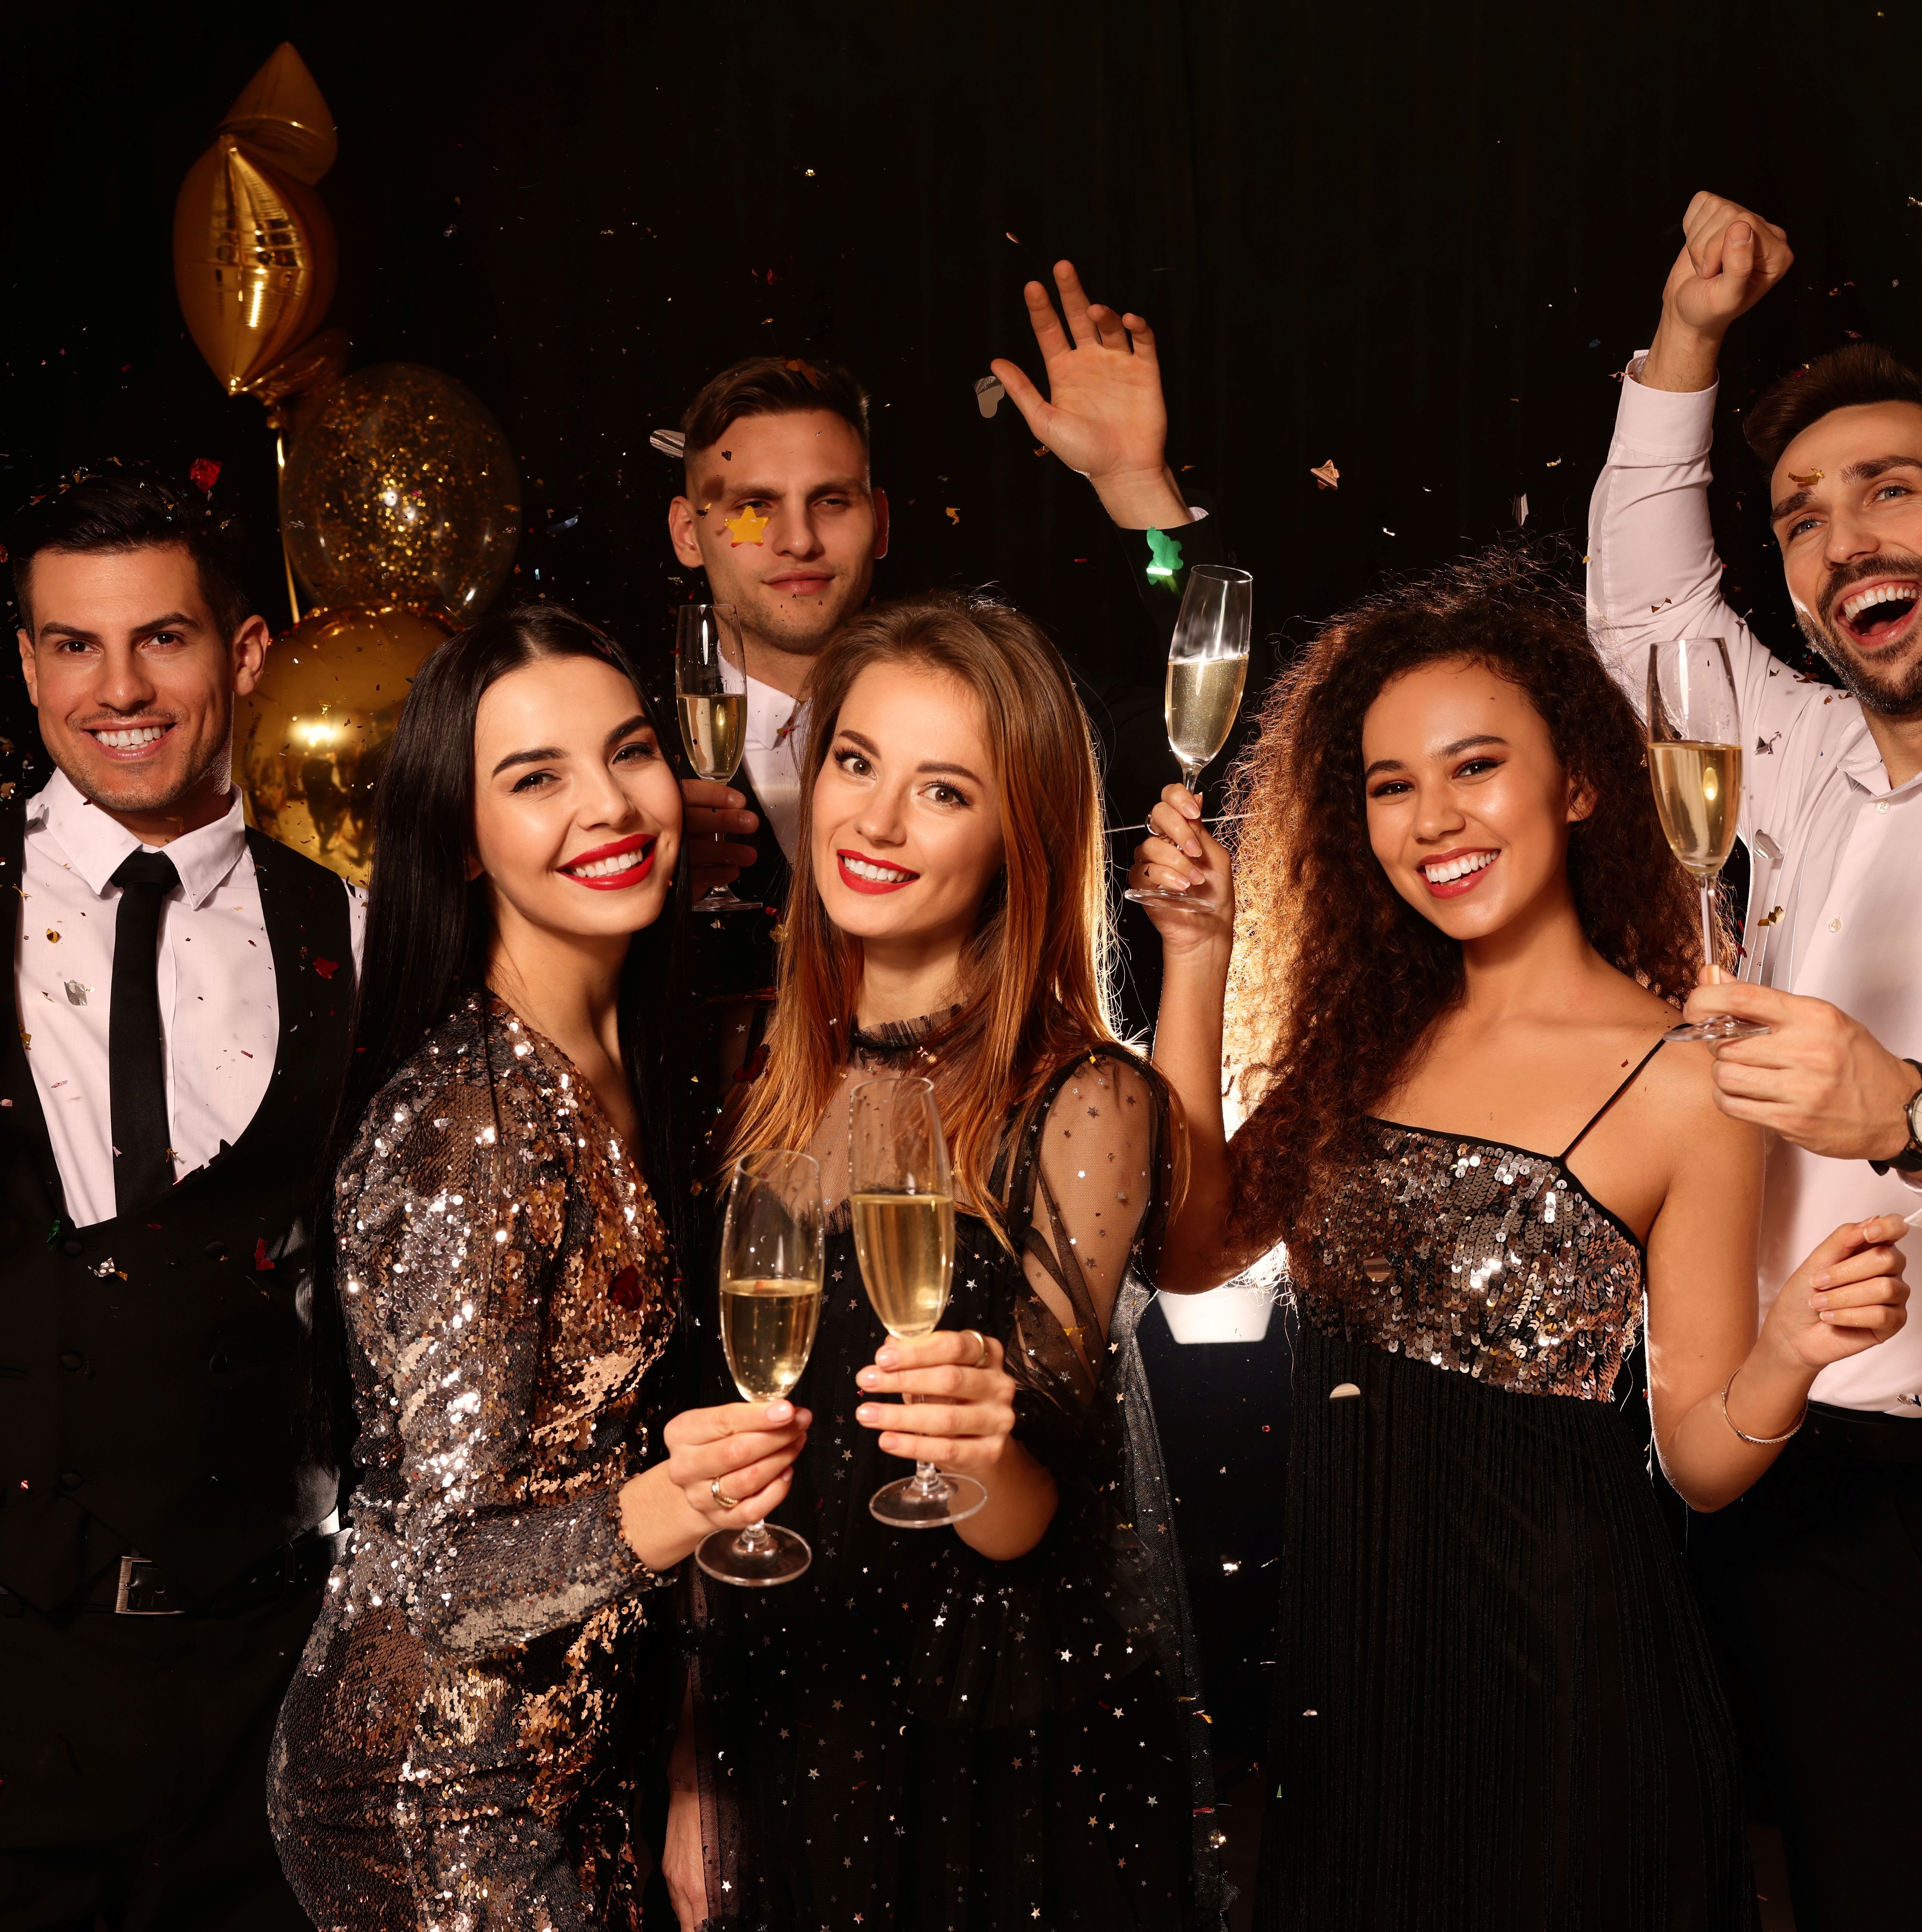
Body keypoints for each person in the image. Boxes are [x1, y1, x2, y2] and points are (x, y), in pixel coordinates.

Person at [1127, 552, 1910, 1930]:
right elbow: (1188, 1250)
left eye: (1475, 766)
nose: (1434, 818)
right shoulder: (1357, 1034)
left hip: (1578, 1709)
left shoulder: (1685, 1075)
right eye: (1390, 784)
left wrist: (1790, 1347)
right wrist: (1196, 954)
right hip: (1355, 1696)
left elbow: (1705, 1463)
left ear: (1582, 782)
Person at [0, 465, 362, 1928]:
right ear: (29, 659)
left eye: (162, 639)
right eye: (71, 644)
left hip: (261, 1693)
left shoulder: (347, 925)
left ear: (243, 654)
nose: (119, 688)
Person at [663, 593, 1219, 1931]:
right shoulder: (739, 1064)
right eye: (855, 763)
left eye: (944, 789)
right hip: (778, 1699)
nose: (877, 822)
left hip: (990, 1733)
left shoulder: (1082, 1102)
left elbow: (1031, 1516)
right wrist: (687, 1753)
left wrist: (975, 1453)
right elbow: (705, 1457)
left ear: (1017, 835)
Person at [265, 608, 814, 1930]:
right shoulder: (464, 1132)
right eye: (535, 778)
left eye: (626, 754)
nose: (604, 805)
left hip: (586, 1757)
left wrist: (684, 1738)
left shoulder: (644, 1053)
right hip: (435, 1795)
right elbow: (440, 1579)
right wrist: (674, 1506)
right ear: (459, 840)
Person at [1585, 190, 1922, 1929]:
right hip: (1811, 1481)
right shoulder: (1781, 746)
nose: (1839, 533)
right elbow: (1640, 599)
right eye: (1797, 514)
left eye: (1889, 487)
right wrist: (1690, 340)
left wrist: (1909, 1118)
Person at [670, 263, 1221, 924]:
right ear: (687, 533)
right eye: (754, 506)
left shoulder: (993, 686)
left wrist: (1139, 488)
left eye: (832, 501)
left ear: (880, 521)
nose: (798, 540)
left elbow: (1234, 754)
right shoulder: (629, 753)